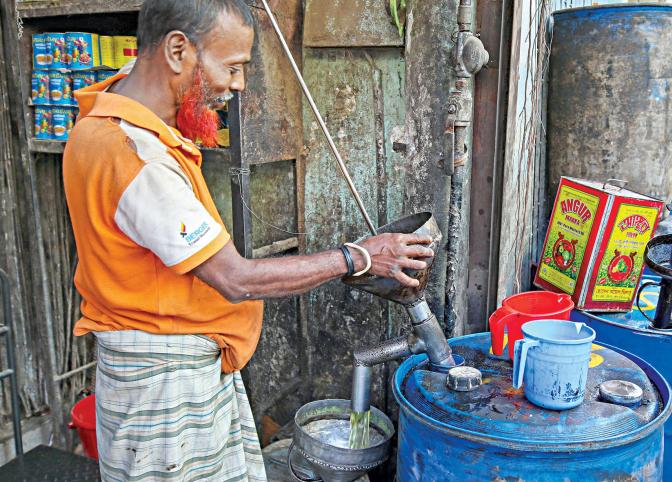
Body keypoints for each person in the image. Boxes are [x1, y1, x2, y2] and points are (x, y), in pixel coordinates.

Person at [62, 1, 433, 480]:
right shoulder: (135, 157)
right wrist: (356, 256)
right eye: (232, 67)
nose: (237, 85)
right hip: (165, 382)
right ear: (177, 49)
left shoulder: (118, 107)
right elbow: (235, 279)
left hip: (179, 363)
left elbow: (144, 69)